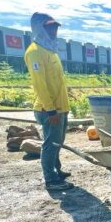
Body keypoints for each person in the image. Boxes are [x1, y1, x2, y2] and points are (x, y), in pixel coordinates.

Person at [25, 12, 73, 191]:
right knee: (50, 144)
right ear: (39, 28)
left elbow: (56, 81)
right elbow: (40, 84)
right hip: (49, 109)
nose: (54, 31)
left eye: (55, 27)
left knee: (57, 142)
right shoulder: (35, 52)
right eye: (49, 27)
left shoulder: (50, 51)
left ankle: (56, 171)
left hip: (61, 107)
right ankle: (51, 180)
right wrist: (51, 110)